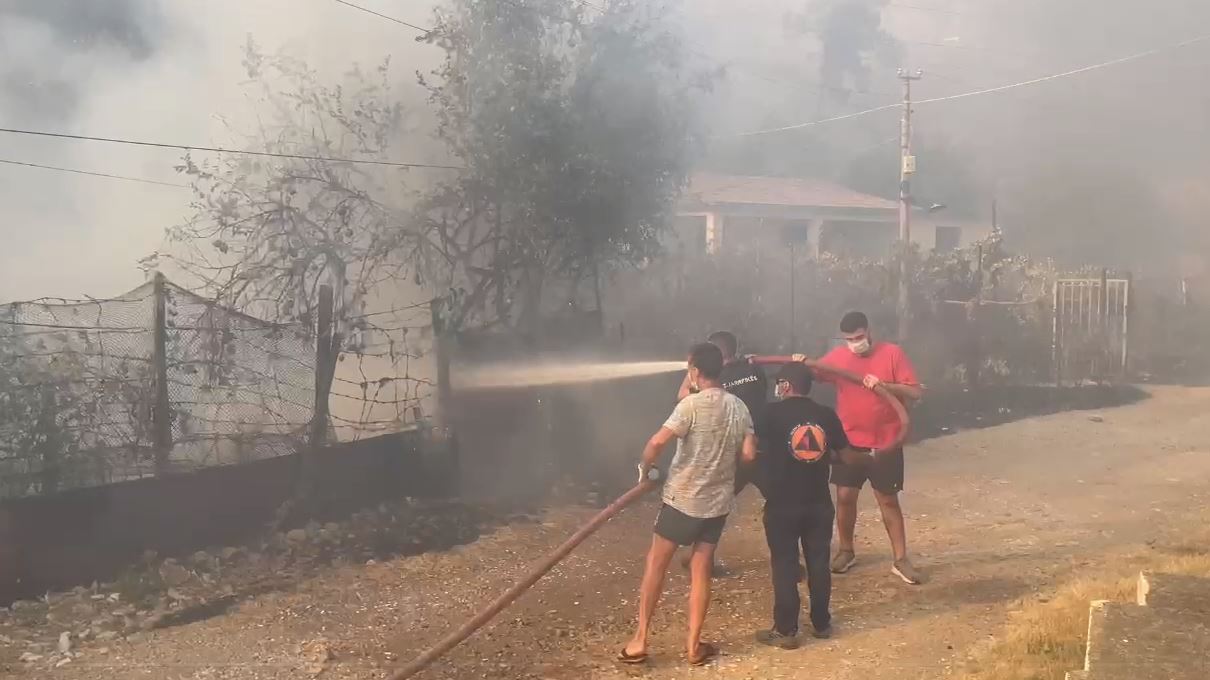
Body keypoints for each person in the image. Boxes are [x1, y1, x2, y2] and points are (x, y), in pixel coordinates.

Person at [621, 342, 758, 667]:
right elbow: (750, 453)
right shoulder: (739, 407)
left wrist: (645, 471)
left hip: (682, 500)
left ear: (695, 371)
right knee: (701, 572)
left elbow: (656, 442)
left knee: (656, 564)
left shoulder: (690, 406)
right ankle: (694, 647)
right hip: (717, 505)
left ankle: (640, 640)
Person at [810, 311, 926, 585]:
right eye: (849, 339)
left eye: (859, 337)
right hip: (849, 439)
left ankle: (900, 559)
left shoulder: (892, 354)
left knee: (887, 499)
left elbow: (915, 392)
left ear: (869, 331)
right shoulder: (838, 358)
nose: (855, 343)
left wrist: (884, 385)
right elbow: (814, 372)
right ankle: (846, 551)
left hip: (886, 440)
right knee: (845, 496)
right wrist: (801, 362)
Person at [754, 362, 863, 649]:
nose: (777, 388)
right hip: (818, 503)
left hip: (782, 503)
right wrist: (826, 456)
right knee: (818, 562)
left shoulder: (769, 413)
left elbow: (751, 450)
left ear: (786, 386)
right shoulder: (825, 415)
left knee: (785, 563)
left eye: (779, 383)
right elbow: (848, 457)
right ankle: (821, 623)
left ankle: (786, 630)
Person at [676, 330, 767, 573]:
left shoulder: (744, 369)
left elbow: (682, 395)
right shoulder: (734, 373)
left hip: (746, 450)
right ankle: (700, 558)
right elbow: (682, 396)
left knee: (717, 505)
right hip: (742, 450)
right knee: (718, 506)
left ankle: (699, 557)